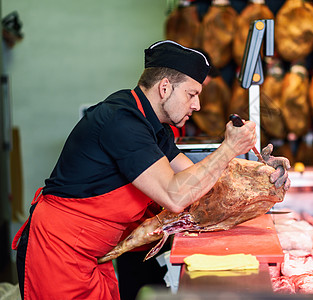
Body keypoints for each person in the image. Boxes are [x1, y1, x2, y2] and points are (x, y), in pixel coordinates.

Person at [12, 40, 290, 300]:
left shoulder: (154, 127)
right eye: (192, 94)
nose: (198, 105)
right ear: (165, 87)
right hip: (58, 251)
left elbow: (197, 181)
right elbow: (175, 195)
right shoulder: (122, 121)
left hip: (94, 254)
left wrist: (262, 176)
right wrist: (228, 148)